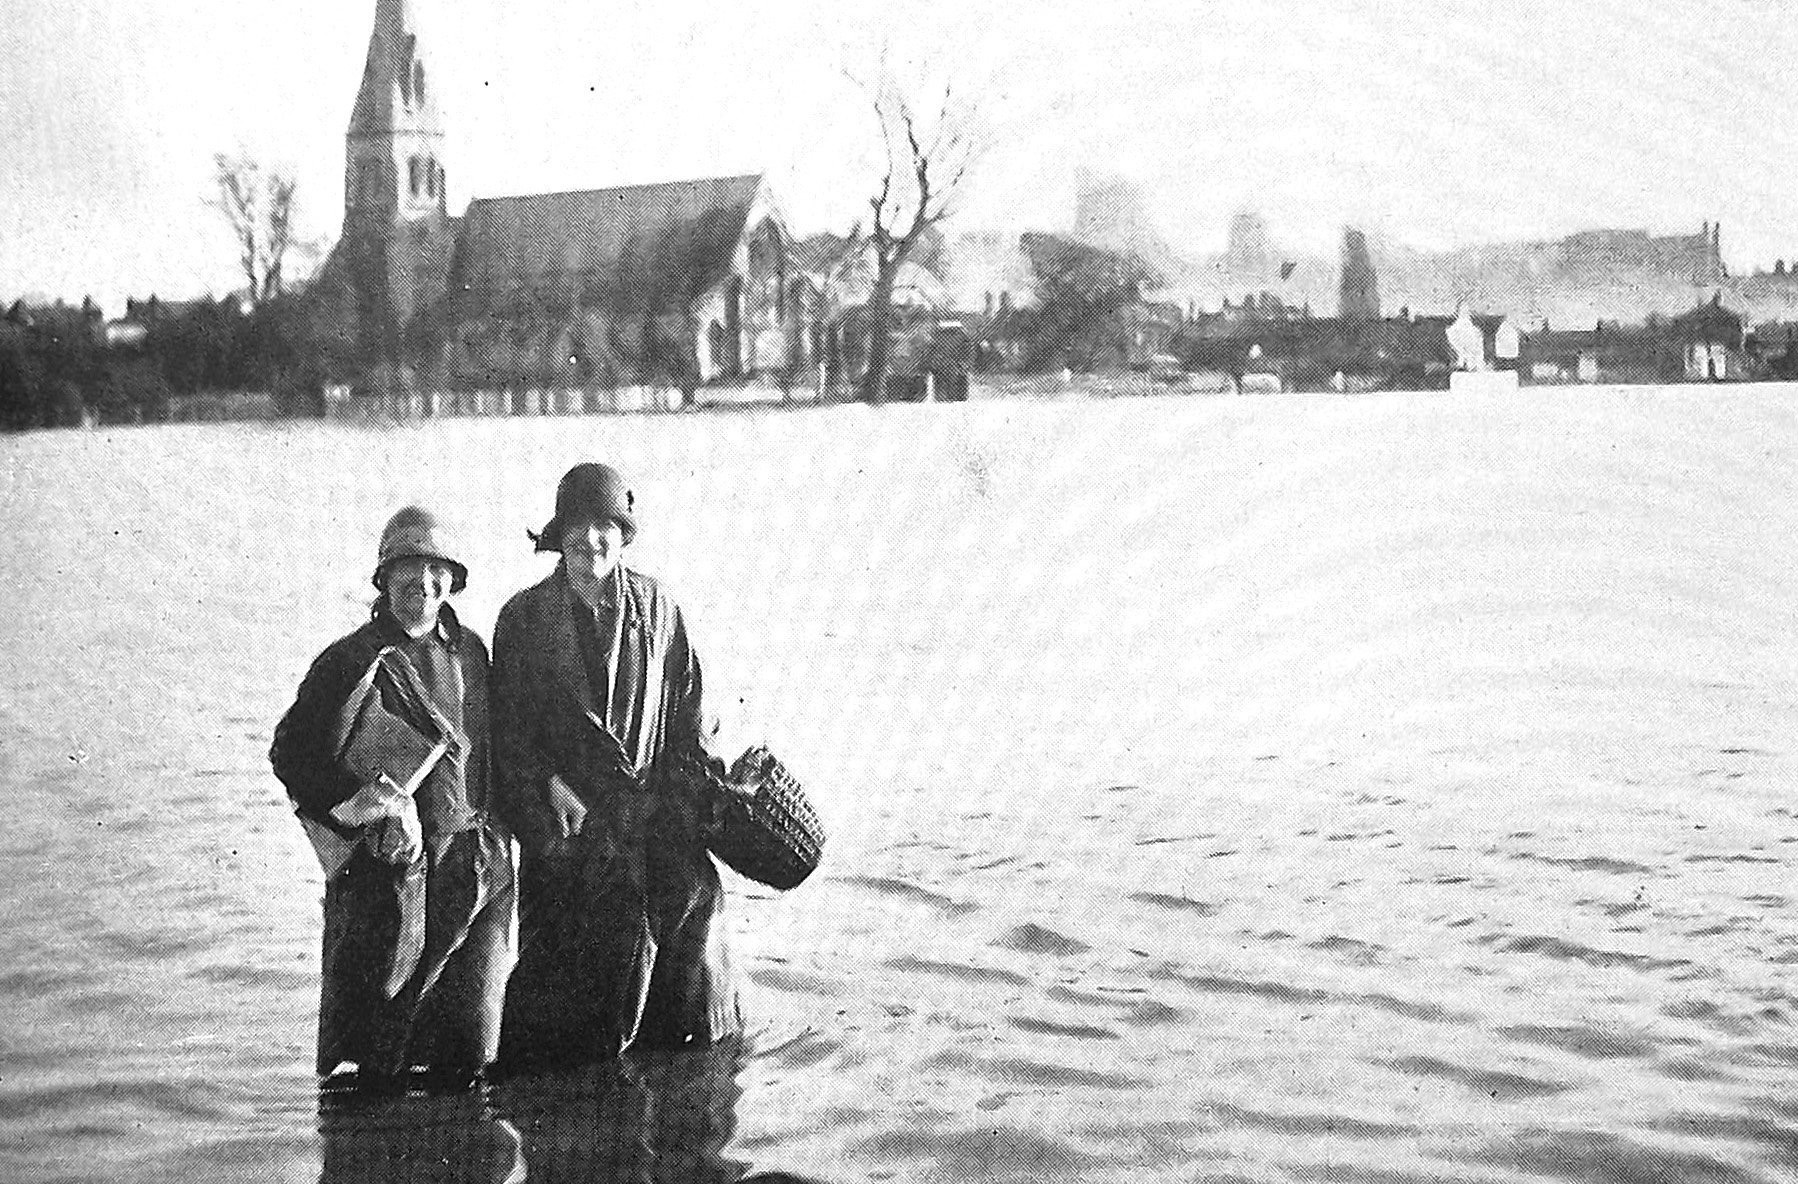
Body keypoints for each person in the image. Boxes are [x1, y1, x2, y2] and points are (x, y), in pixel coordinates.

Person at [492, 462, 741, 1068]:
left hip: (657, 835)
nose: (591, 539)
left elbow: (691, 714)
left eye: (605, 525)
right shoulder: (523, 618)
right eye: (578, 525)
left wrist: (704, 794)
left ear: (623, 535)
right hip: (571, 840)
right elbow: (506, 735)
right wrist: (547, 785)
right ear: (559, 535)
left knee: (693, 1036)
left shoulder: (659, 607)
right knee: (565, 1043)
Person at [270, 506, 515, 1094]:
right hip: (394, 876)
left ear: (452, 579)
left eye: (436, 570)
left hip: (477, 866)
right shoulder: (349, 659)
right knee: (379, 1057)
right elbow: (290, 752)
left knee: (470, 1052)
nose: (422, 583)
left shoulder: (472, 652)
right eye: (407, 568)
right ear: (383, 579)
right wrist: (359, 802)